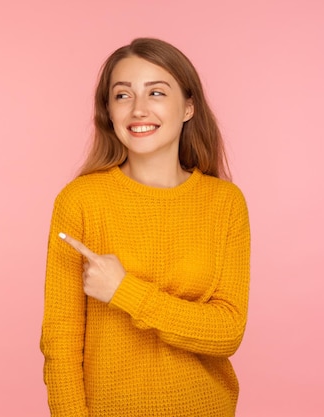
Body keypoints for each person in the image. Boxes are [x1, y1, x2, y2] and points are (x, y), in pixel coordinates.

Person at [40, 38, 251, 416]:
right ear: (108, 111)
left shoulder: (225, 203)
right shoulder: (80, 200)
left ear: (188, 107)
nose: (138, 109)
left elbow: (227, 332)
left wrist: (124, 290)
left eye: (156, 92)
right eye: (122, 96)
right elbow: (60, 344)